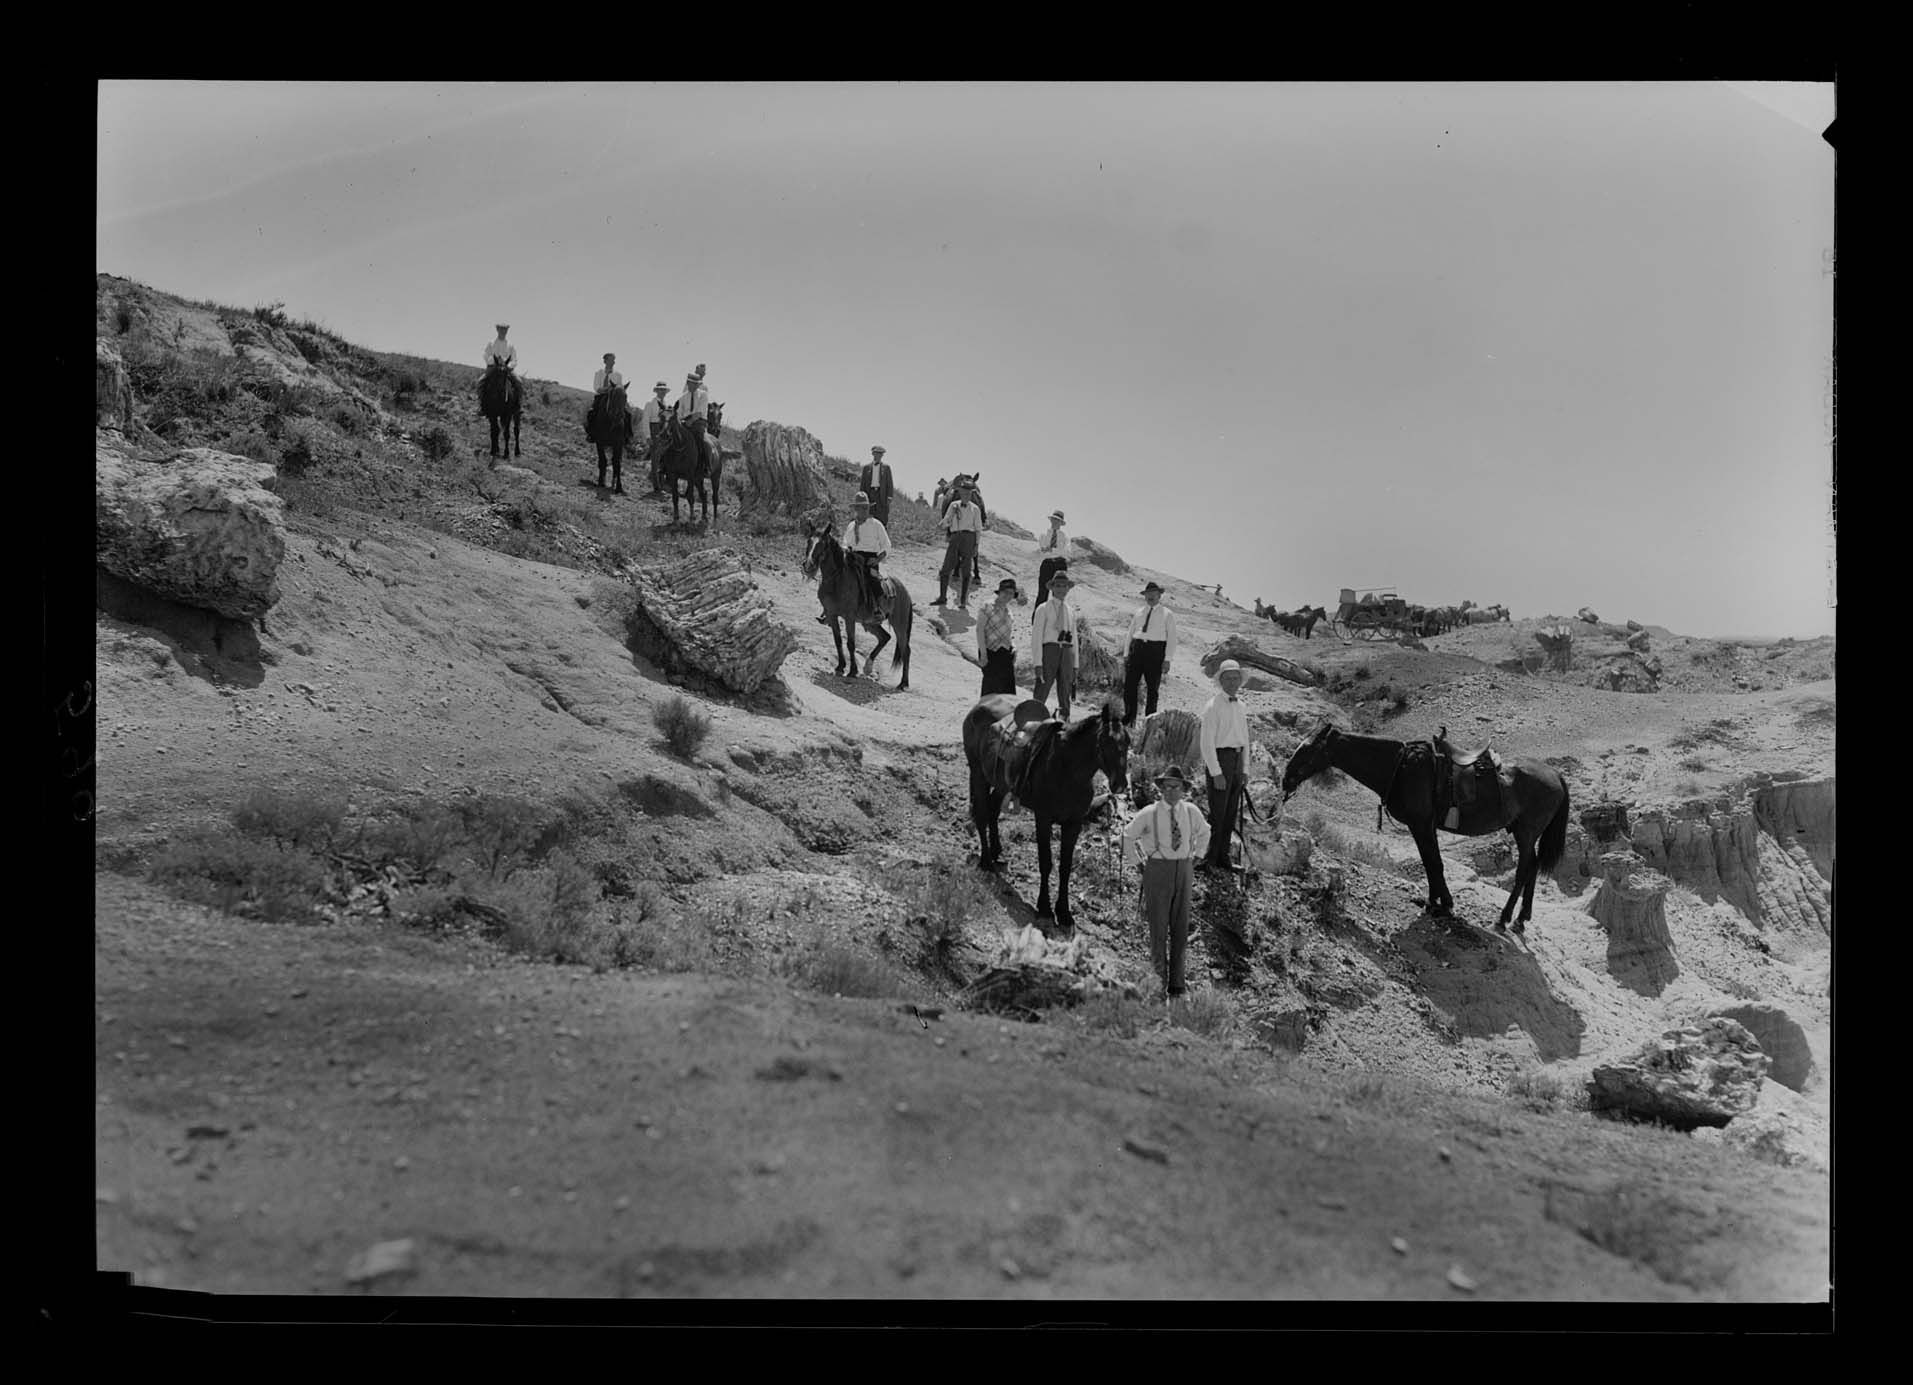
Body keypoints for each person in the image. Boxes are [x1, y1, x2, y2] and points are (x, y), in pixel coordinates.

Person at [1122, 764, 1211, 998]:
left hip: (1184, 869)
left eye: (1177, 787)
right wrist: (1138, 863)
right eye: (1167, 786)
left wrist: (1197, 857)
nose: (1172, 791)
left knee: (1181, 929)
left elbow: (1205, 832)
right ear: (1160, 789)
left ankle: (1177, 984)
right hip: (1157, 869)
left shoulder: (1191, 811)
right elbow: (1127, 836)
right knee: (1158, 928)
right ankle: (1158, 983)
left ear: (1184, 789)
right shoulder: (1149, 813)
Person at [1198, 659, 1251, 872]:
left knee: (1230, 813)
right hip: (1221, 760)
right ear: (1220, 681)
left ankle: (1223, 857)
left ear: (1240, 680)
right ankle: (1209, 858)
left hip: (1237, 762)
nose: (1232, 682)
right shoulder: (1213, 706)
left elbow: (1245, 740)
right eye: (1227, 678)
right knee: (1217, 813)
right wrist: (1216, 772)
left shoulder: (1241, 706)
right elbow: (1206, 743)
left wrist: (1245, 770)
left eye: (1235, 678)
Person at [1122, 581, 1179, 726]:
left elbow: (1172, 637)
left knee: (1152, 689)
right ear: (1145, 596)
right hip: (1137, 650)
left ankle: (1149, 723)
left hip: (1155, 652)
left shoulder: (1167, 614)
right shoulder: (1139, 612)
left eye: (1154, 594)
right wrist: (1126, 653)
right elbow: (1130, 632)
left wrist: (1167, 659)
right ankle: (1129, 722)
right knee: (1129, 686)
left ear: (1159, 595)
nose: (1151, 596)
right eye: (1148, 594)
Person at [1031, 570, 1077, 719]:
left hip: (1067, 651)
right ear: (1052, 588)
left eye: (1064, 586)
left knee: (1065, 690)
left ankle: (1064, 723)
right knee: (1042, 688)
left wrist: (1075, 664)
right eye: (1058, 586)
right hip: (1049, 650)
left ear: (1068, 589)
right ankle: (1033, 721)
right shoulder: (1043, 608)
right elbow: (1036, 637)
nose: (1061, 589)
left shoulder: (1070, 611)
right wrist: (1038, 663)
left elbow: (1074, 637)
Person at [840, 490, 891, 616]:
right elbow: (846, 541)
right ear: (855, 509)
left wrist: (878, 559)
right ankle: (831, 608)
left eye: (865, 507)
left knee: (872, 580)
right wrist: (846, 548)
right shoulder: (851, 525)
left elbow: (886, 544)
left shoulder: (876, 524)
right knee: (838, 575)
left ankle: (877, 609)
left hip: (870, 559)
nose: (863, 510)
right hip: (853, 557)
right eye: (860, 507)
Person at [934, 483, 983, 608]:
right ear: (960, 493)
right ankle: (942, 597)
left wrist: (976, 545)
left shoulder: (975, 509)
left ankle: (963, 601)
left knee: (966, 571)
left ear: (971, 494)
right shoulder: (953, 505)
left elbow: (978, 529)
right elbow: (947, 520)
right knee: (946, 568)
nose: (966, 495)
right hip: (955, 536)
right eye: (963, 493)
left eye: (968, 493)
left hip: (969, 538)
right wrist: (942, 524)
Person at [976, 578, 1021, 695]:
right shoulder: (987, 606)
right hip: (990, 651)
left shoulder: (1008, 612)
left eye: (1011, 593)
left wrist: (1014, 647)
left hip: (1005, 653)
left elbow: (1008, 634)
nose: (1008, 596)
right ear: (999, 592)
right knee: (990, 688)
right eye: (1006, 592)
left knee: (1007, 689)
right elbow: (979, 630)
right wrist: (983, 654)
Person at [1034, 509, 1070, 617]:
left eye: (1057, 520)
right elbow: (1042, 550)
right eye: (1054, 520)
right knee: (1042, 592)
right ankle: (1037, 620)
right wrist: (1054, 550)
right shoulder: (1044, 535)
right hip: (1047, 563)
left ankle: (1057, 620)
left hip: (1060, 564)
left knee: (1058, 594)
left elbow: (1067, 552)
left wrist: (1051, 550)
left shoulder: (1065, 537)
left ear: (1061, 523)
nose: (1055, 522)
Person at [639, 381, 671, 492]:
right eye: (660, 390)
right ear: (656, 391)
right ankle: (656, 485)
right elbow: (645, 420)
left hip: (664, 431)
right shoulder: (650, 403)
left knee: (664, 458)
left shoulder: (666, 405)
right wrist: (648, 436)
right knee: (655, 458)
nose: (662, 392)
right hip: (654, 430)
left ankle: (663, 482)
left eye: (664, 390)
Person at [481, 323, 518, 412]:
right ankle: (482, 405)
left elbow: (514, 359)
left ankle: (517, 407)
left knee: (519, 382)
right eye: (501, 329)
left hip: (507, 369)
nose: (503, 332)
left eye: (505, 330)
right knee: (480, 382)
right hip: (493, 367)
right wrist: (492, 361)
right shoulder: (491, 343)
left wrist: (509, 366)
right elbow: (486, 355)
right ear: (497, 330)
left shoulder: (511, 345)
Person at [860, 446, 896, 526]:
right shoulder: (866, 468)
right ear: (873, 454)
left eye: (881, 454)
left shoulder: (886, 468)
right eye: (877, 453)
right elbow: (863, 484)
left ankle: (882, 534)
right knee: (869, 516)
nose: (879, 456)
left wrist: (889, 496)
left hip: (881, 494)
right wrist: (861, 497)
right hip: (870, 494)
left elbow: (890, 483)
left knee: (882, 517)